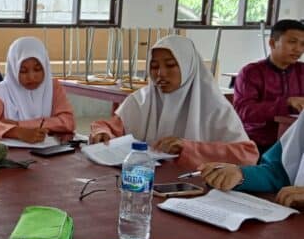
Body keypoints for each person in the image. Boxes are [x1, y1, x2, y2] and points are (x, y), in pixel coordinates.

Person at [90, 35, 258, 169]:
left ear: (188, 67)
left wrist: (189, 148)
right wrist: (101, 132)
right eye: (154, 67)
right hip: (142, 183)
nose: (160, 74)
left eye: (170, 65)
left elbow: (247, 156)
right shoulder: (141, 100)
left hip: (195, 191)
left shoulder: (215, 108)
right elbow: (110, 126)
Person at [0, 36, 75, 142]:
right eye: (23, 71)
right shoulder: (0, 92)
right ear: (13, 69)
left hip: (49, 151)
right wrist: (17, 132)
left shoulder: (53, 87)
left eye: (37, 69)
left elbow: (68, 122)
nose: (31, 77)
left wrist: (21, 125)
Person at [233, 19, 304, 153]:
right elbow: (243, 111)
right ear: (272, 43)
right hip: (258, 143)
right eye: (292, 42)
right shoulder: (251, 73)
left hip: (295, 142)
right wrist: (287, 103)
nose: (298, 49)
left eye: (303, 44)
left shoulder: (302, 71)